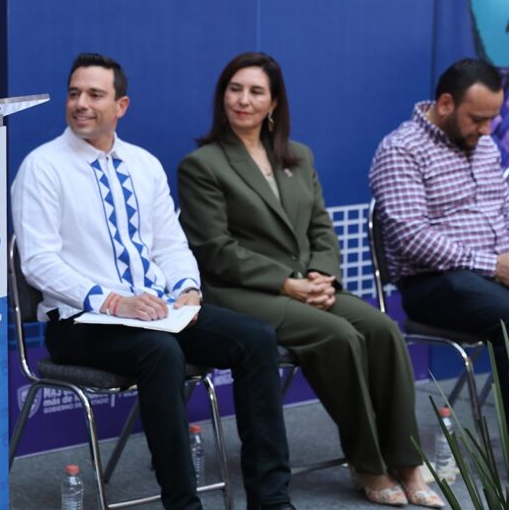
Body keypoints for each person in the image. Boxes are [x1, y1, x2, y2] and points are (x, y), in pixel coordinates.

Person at [11, 52, 296, 510]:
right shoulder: (42, 167)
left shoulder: (144, 164)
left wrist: (187, 288)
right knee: (162, 353)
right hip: (79, 323)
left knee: (256, 338)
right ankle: (183, 505)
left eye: (95, 95)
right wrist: (112, 302)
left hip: (158, 312)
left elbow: (171, 243)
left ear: (121, 105)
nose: (81, 104)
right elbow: (38, 263)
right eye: (74, 93)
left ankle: (271, 500)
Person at [177, 52, 441, 508]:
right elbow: (216, 250)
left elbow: (321, 226)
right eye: (234, 90)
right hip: (240, 293)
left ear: (274, 102)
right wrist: (287, 283)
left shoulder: (298, 157)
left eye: (256, 91)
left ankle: (407, 461)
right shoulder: (202, 164)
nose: (243, 100)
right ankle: (367, 464)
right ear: (222, 97)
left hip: (306, 283)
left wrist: (324, 274)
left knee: (382, 330)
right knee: (338, 335)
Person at [370, 58, 509, 410]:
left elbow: (503, 206)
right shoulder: (401, 150)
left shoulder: (484, 145)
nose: (486, 130)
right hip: (434, 282)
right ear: (446, 104)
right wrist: (492, 264)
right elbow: (411, 237)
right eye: (477, 119)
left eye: (492, 120)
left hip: (494, 272)